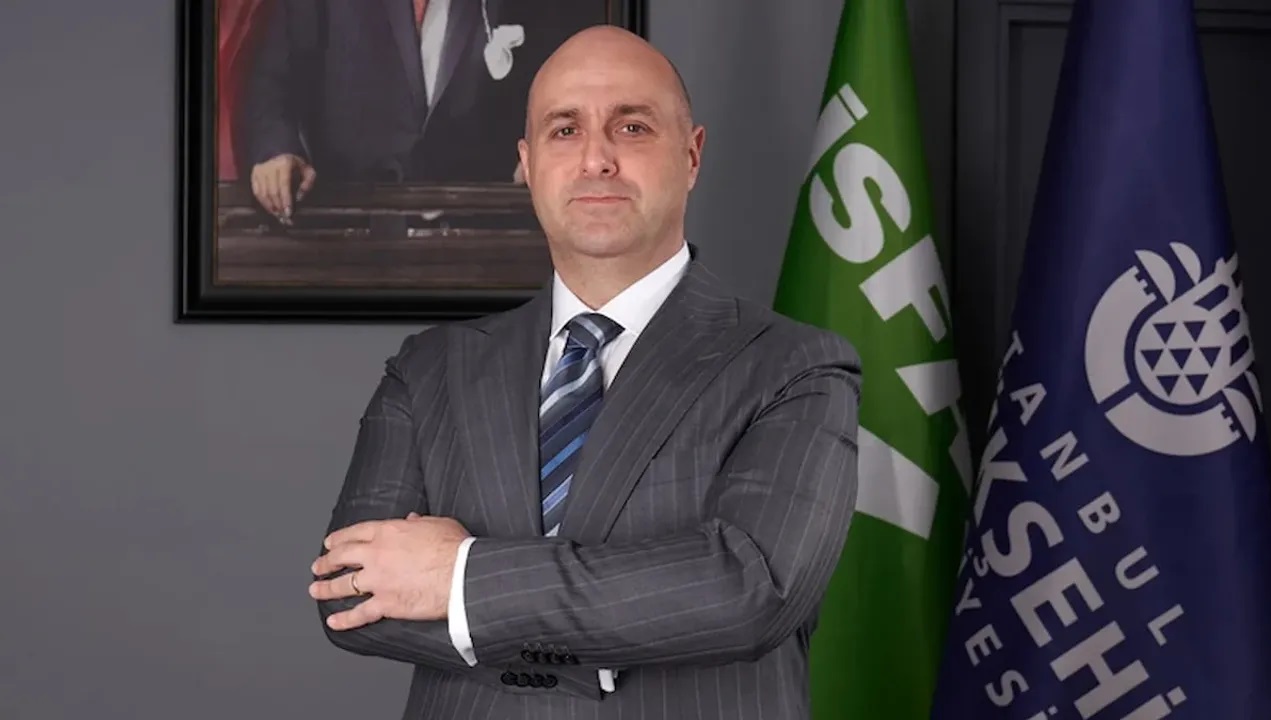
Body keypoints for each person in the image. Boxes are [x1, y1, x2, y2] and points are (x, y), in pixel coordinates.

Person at [307, 24, 863, 719]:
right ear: (528, 162)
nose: (596, 158)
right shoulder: (428, 369)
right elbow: (350, 591)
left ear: (691, 155)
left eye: (632, 127)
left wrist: (462, 576)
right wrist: (622, 621)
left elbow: (748, 589)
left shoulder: (795, 367)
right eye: (564, 130)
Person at [238, 0, 590, 220]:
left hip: (483, 222)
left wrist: (546, 149)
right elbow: (273, 79)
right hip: (349, 220)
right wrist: (277, 150)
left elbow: (565, 78)